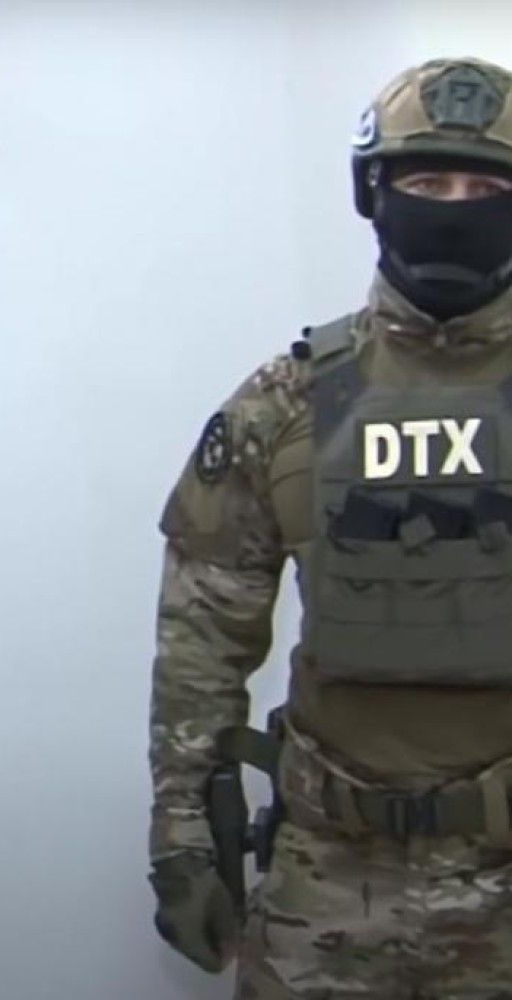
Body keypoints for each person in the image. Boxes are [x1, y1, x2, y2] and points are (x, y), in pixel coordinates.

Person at [148, 56, 512, 998]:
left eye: (486, 188)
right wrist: (183, 835)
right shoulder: (287, 402)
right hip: (328, 890)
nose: (454, 208)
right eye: (427, 182)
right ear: (375, 193)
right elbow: (201, 638)